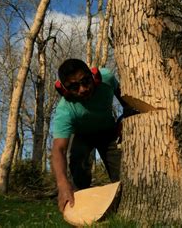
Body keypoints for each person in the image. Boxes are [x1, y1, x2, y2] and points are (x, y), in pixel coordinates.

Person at [51, 58, 130, 213]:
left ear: (94, 76)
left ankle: (120, 205)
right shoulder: (65, 110)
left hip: (108, 133)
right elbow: (58, 149)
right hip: (82, 136)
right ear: (65, 90)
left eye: (85, 81)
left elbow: (124, 99)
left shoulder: (107, 77)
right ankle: (78, 204)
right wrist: (62, 184)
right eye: (73, 87)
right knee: (78, 169)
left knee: (122, 174)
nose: (82, 89)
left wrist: (126, 117)